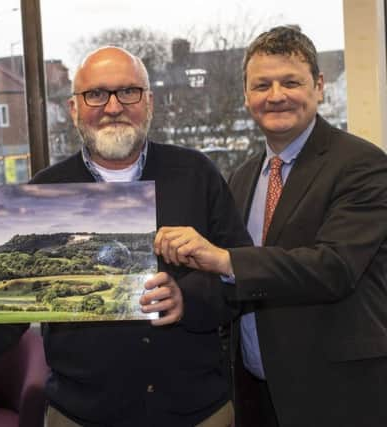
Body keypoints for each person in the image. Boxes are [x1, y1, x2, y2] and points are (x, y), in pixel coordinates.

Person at [154, 26, 387, 427]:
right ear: (246, 96)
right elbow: (233, 285)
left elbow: (333, 267)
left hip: (338, 393)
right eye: (262, 84)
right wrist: (182, 292)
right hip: (255, 391)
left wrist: (225, 259)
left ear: (318, 86)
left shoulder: (363, 165)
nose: (275, 95)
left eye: (290, 82)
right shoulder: (243, 178)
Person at [28, 46, 252, 426]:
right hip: (81, 414)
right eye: (96, 94)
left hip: (196, 412)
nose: (113, 106)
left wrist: (188, 298)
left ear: (149, 102)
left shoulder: (197, 174)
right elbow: (18, 302)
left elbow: (242, 275)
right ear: (73, 109)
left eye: (128, 92)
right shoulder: (45, 192)